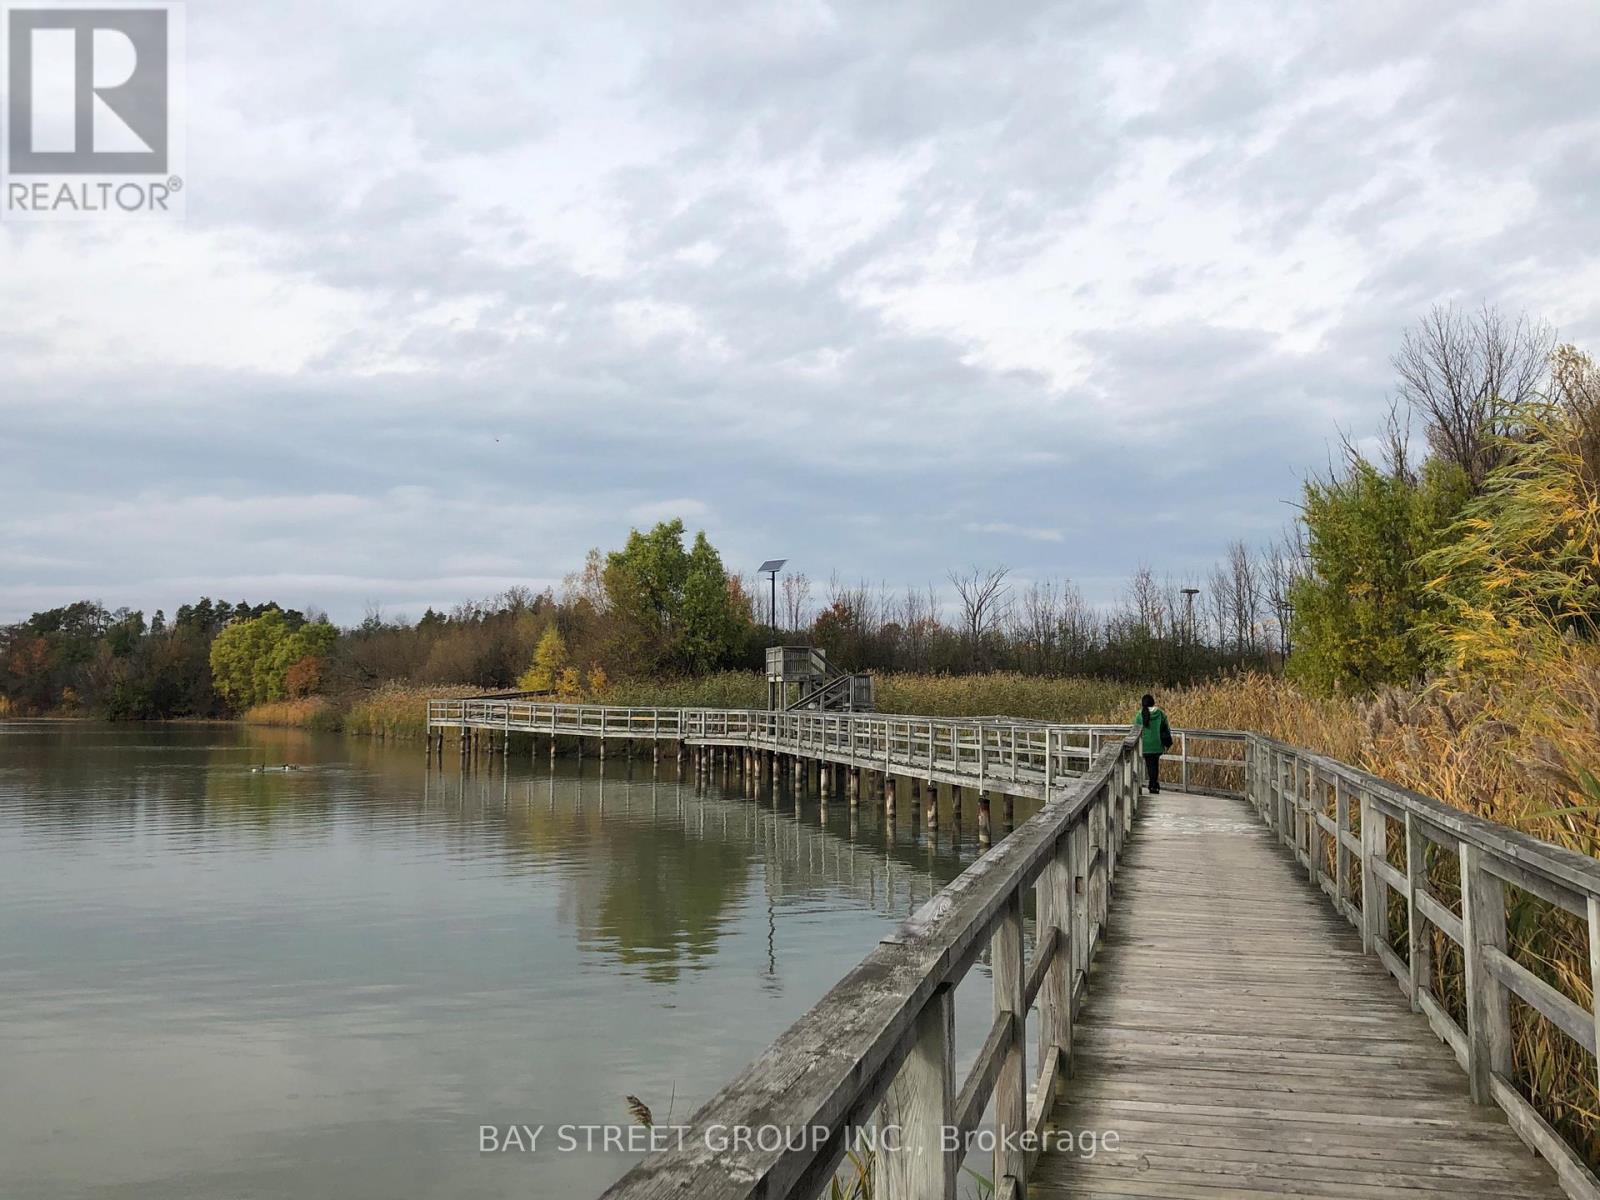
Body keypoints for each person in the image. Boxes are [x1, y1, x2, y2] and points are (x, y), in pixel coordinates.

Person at [1134, 693, 1173, 793]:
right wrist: (1166, 743)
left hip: (1145, 744)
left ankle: (1152, 784)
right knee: (1154, 764)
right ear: (1153, 702)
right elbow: (1166, 728)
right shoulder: (1160, 713)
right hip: (1157, 743)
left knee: (1150, 764)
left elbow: (1135, 730)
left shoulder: (1140, 714)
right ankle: (1154, 784)